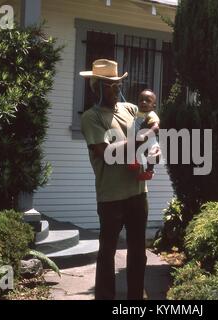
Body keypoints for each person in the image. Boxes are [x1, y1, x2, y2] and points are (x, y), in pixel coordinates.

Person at [80, 59, 148, 300]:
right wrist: (139, 140)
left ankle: (136, 300)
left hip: (139, 191)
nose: (117, 88)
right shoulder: (91, 117)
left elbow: (150, 118)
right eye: (110, 85)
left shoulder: (129, 109)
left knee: (138, 251)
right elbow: (105, 152)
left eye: (118, 83)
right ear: (97, 87)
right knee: (108, 252)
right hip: (111, 196)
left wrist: (154, 142)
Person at [128, 89, 161, 181]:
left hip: (150, 140)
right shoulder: (137, 113)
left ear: (153, 106)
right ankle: (136, 162)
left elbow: (156, 127)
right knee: (135, 147)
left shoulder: (151, 114)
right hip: (140, 139)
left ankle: (149, 171)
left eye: (148, 101)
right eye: (141, 100)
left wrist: (146, 135)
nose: (143, 102)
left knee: (152, 153)